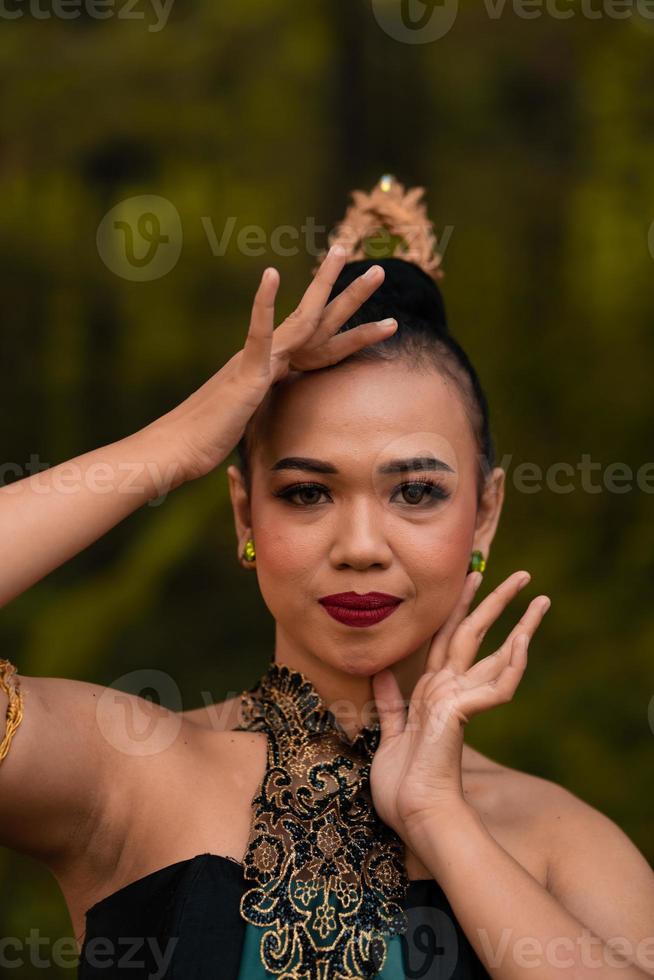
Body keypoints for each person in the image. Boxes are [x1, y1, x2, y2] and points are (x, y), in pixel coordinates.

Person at [0, 177, 652, 980]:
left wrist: (441, 821)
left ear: (484, 514)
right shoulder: (130, 774)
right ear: (245, 515)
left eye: (416, 492)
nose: (360, 546)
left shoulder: (564, 843)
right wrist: (181, 442)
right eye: (307, 493)